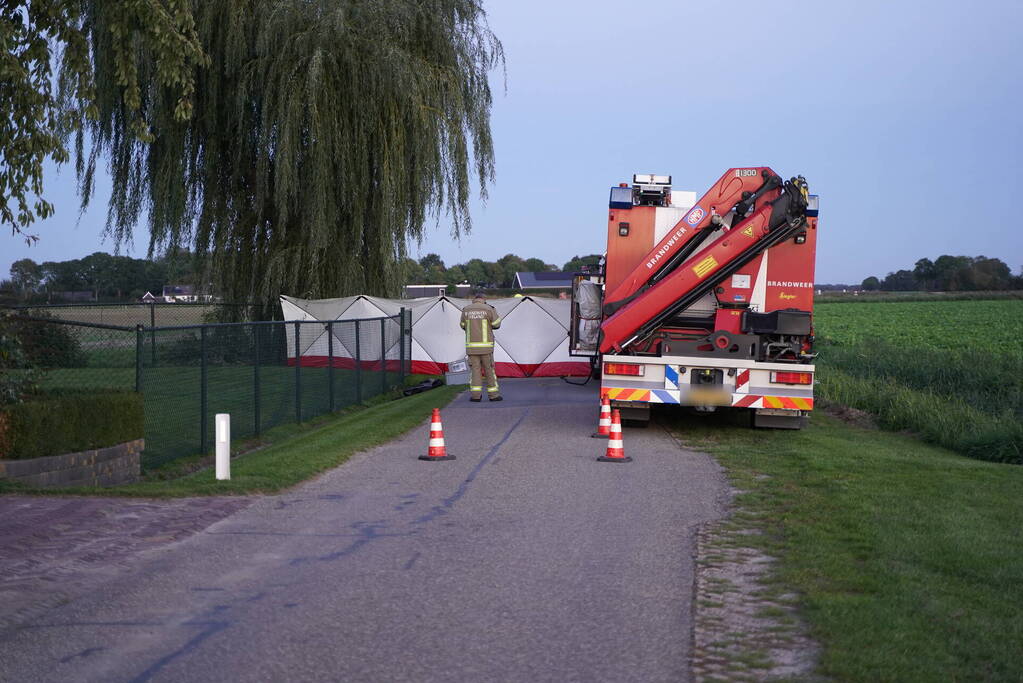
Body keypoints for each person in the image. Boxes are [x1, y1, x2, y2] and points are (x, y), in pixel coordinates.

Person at [459, 292, 502, 402]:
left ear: (475, 299)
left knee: (475, 372)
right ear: (483, 299)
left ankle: (476, 396)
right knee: (489, 371)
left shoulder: (466, 309)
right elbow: (497, 324)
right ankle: (494, 396)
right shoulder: (488, 309)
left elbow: (462, 325)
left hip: (472, 348)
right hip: (486, 348)